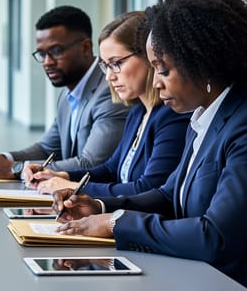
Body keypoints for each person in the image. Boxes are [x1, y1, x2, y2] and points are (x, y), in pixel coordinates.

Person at [53, 0, 247, 291]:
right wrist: (98, 207)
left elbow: (215, 236)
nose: (157, 82)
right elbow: (168, 195)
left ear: (201, 63)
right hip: (209, 282)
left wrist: (115, 223)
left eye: (163, 70)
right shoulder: (205, 116)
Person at [29, 11, 190, 196]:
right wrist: (61, 175)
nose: (109, 76)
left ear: (148, 58)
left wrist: (74, 188)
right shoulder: (138, 113)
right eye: (105, 66)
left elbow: (149, 188)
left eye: (116, 63)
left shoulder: (171, 116)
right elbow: (110, 170)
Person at [0, 5, 129, 179]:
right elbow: (47, 148)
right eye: (42, 53)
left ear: (85, 47)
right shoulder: (67, 96)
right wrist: (3, 159)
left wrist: (15, 168)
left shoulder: (110, 91)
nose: (47, 62)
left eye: (56, 51)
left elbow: (90, 163)